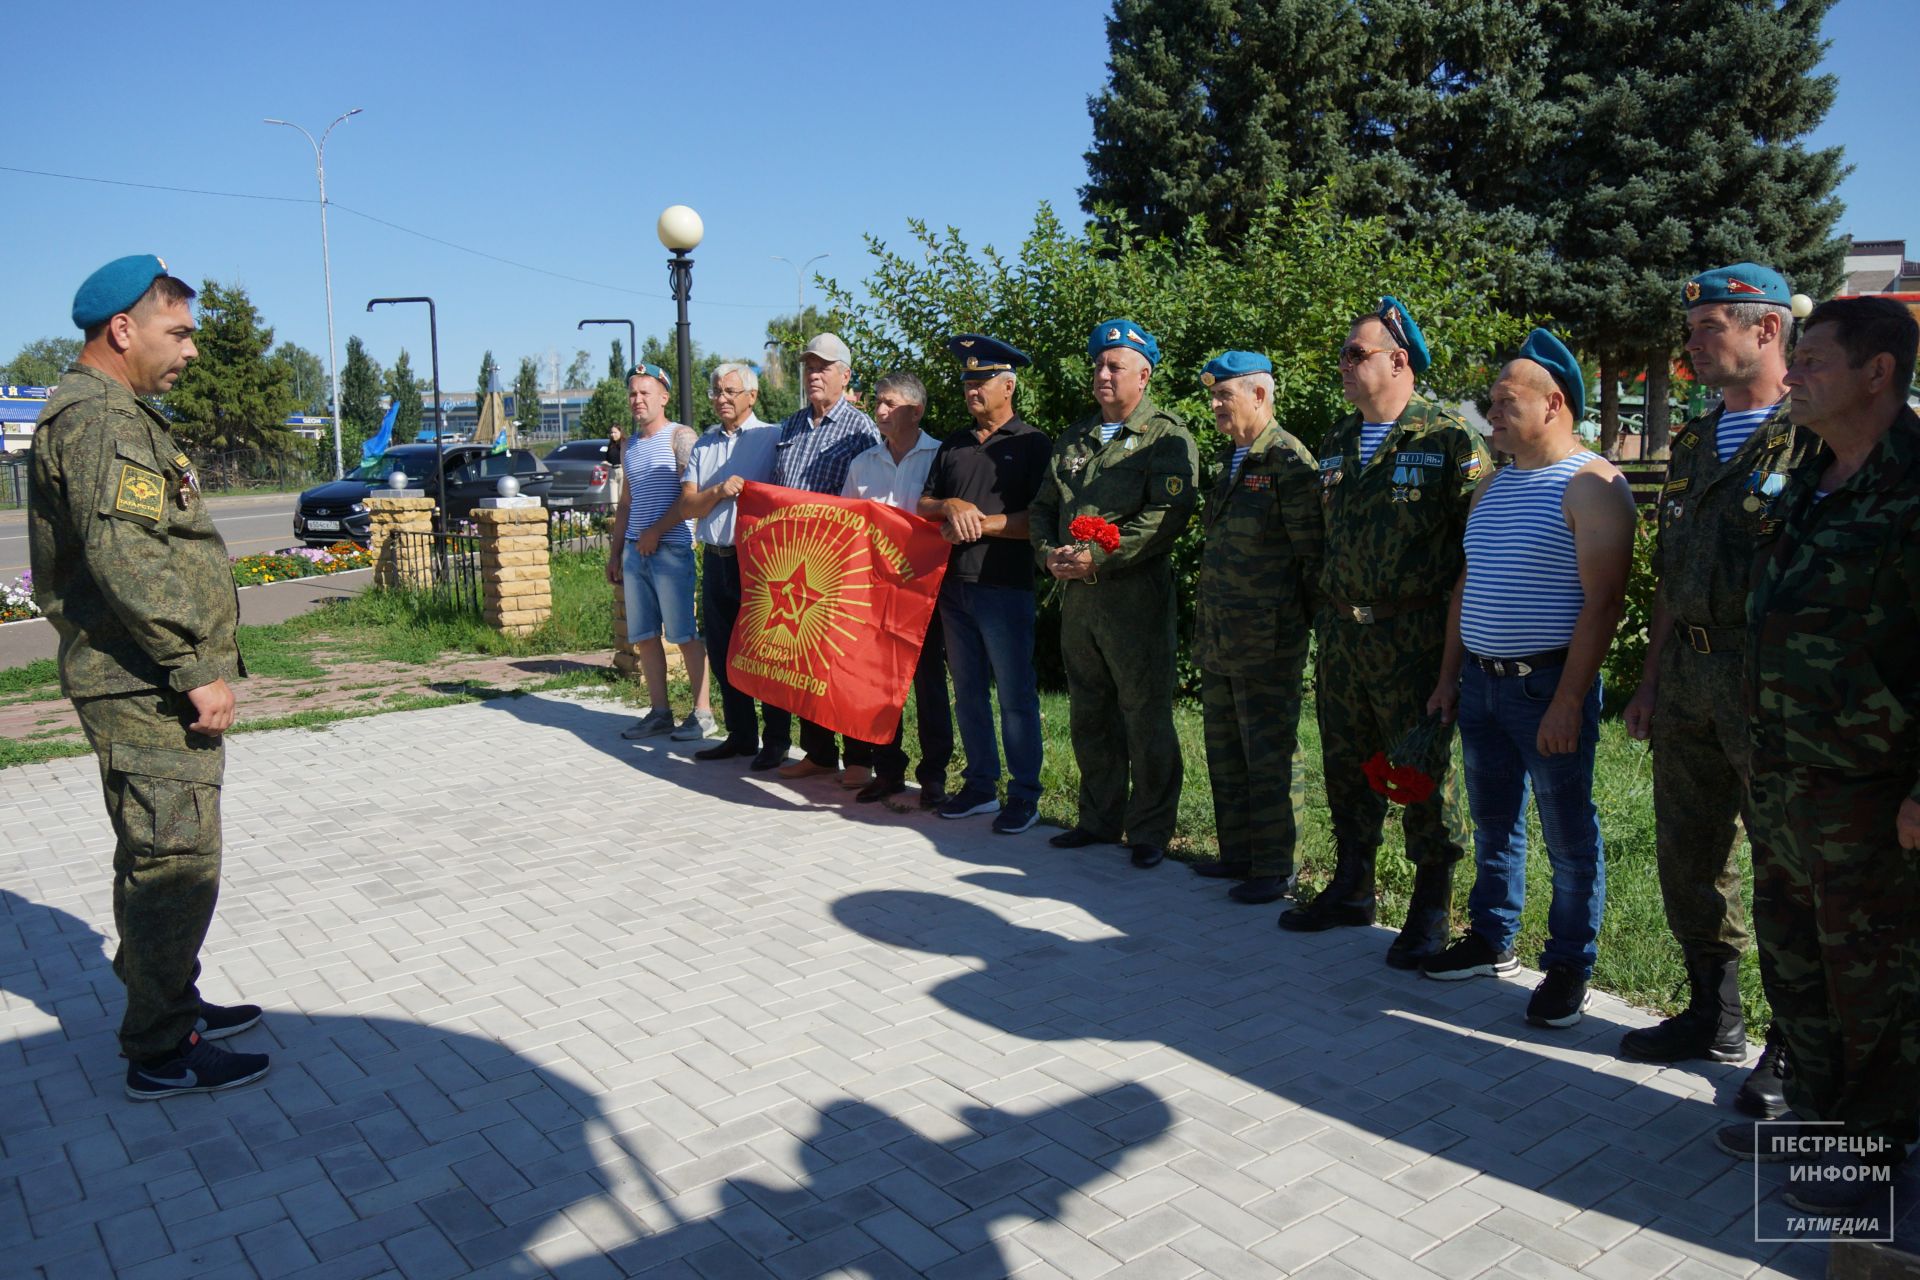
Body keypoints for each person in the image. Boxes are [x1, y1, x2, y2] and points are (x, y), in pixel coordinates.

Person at [26, 255, 269, 1100]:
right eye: (180, 332)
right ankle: (161, 1048)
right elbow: (128, 556)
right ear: (122, 330)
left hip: (140, 678)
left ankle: (173, 997)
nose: (192, 351)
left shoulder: (114, 411)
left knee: (159, 850)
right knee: (174, 859)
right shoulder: (100, 421)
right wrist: (194, 668)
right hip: (144, 683)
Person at [1713, 297, 1920, 1212]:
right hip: (1787, 780)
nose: (1793, 375)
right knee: (1798, 964)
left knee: (1874, 980)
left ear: (1878, 373)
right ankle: (1819, 1120)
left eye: (1816, 362)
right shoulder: (1812, 474)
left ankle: (1867, 1163)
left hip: (1873, 791)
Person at [1618, 264, 1815, 1116]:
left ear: (1766, 331)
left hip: (1769, 685)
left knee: (1786, 870)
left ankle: (1797, 1045)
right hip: (1691, 677)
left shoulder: (1816, 433)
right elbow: (1671, 576)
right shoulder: (1697, 441)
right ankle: (1713, 1012)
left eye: (1708, 329)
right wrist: (1650, 678)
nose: (1692, 344)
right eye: (1691, 329)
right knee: (1689, 856)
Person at [1424, 329, 1635, 1029]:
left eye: (1505, 401)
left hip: (1546, 688)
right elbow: (1466, 585)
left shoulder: (1592, 484)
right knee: (1494, 825)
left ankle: (1569, 964)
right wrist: (1450, 678)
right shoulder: (1493, 485)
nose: (1491, 415)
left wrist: (1570, 699)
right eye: (1490, 403)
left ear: (1555, 404)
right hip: (1482, 686)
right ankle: (1492, 939)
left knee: (1569, 836)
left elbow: (1605, 601)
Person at [1279, 299, 1490, 968]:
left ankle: (1431, 906)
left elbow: (1474, 550)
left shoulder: (1449, 439)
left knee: (1421, 771)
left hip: (1417, 636)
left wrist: (1455, 664)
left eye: (1355, 354)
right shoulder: (1340, 441)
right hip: (1343, 635)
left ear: (1400, 360)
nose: (1342, 365)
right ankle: (1353, 884)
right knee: (1347, 762)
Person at [1029, 320, 1198, 869]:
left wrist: (1100, 553)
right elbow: (1041, 508)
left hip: (1134, 599)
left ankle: (1150, 830)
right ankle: (1099, 820)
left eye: (1115, 366)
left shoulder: (1167, 436)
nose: (1102, 374)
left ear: (1143, 375)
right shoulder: (1075, 438)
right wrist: (1048, 553)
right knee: (1090, 711)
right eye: (1099, 365)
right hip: (1079, 605)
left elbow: (1167, 516)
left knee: (1144, 713)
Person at [1191, 352, 1323, 903]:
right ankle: (1239, 853)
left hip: (1269, 639)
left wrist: (1307, 630)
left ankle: (1275, 867)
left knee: (1268, 750)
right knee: (1225, 748)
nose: (1217, 405)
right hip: (1222, 632)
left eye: (1226, 396)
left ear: (1260, 396)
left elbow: (1312, 557)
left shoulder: (1288, 460)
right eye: (1215, 396)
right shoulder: (1234, 457)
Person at [919, 335, 1052, 834]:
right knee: (968, 692)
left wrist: (986, 523)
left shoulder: (1031, 444)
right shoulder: (953, 443)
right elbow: (924, 505)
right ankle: (979, 785)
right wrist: (950, 506)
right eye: (967, 381)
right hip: (954, 588)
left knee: (1016, 697)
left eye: (982, 381)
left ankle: (1024, 794)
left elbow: (1043, 519)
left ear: (1009, 385)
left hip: (1005, 587)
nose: (972, 389)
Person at [769, 333, 881, 786]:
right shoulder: (791, 425)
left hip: (840, 567)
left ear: (845, 375)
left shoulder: (861, 429)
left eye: (823, 367)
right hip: (794, 565)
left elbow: (868, 502)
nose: (813, 374)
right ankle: (818, 751)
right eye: (808, 367)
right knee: (804, 662)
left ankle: (859, 757)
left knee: (844, 664)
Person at [840, 373, 952, 805]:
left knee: (928, 685)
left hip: (925, 592)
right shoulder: (863, 463)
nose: (880, 411)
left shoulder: (941, 456)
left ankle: (934, 776)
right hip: (874, 591)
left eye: (890, 404)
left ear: (916, 410)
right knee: (877, 684)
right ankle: (886, 769)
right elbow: (849, 523)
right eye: (878, 404)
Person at [679, 362, 787, 769]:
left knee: (765, 653)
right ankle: (742, 736)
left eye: (730, 391)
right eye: (716, 392)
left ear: (752, 396)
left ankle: (776, 739)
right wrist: (719, 492)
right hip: (715, 558)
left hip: (757, 563)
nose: (721, 399)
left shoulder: (772, 437)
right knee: (724, 654)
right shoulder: (704, 445)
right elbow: (688, 503)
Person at [606, 364, 712, 742]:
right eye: (633, 393)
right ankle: (660, 712)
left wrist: (656, 532)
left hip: (670, 549)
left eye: (645, 393)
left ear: (663, 397)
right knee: (646, 636)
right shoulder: (629, 445)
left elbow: (690, 497)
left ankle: (702, 713)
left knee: (684, 634)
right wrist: (616, 552)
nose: (638, 400)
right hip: (637, 552)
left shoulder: (680, 437)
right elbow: (626, 502)